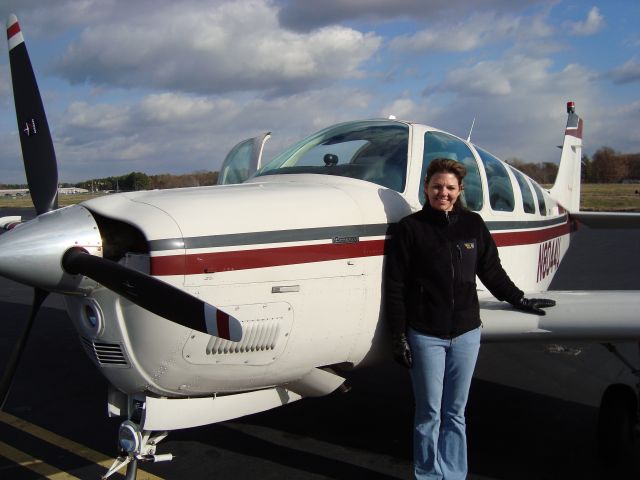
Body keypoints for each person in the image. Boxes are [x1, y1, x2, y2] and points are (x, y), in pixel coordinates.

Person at [384, 158, 555, 479]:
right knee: (429, 413)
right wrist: (398, 335)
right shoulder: (410, 229)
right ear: (426, 188)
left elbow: (491, 270)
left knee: (455, 413)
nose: (443, 193)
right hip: (425, 334)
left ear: (460, 190)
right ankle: (428, 475)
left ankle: (454, 474)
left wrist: (519, 298)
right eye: (437, 186)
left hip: (466, 334)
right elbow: (395, 286)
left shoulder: (473, 225)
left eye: (450, 188)